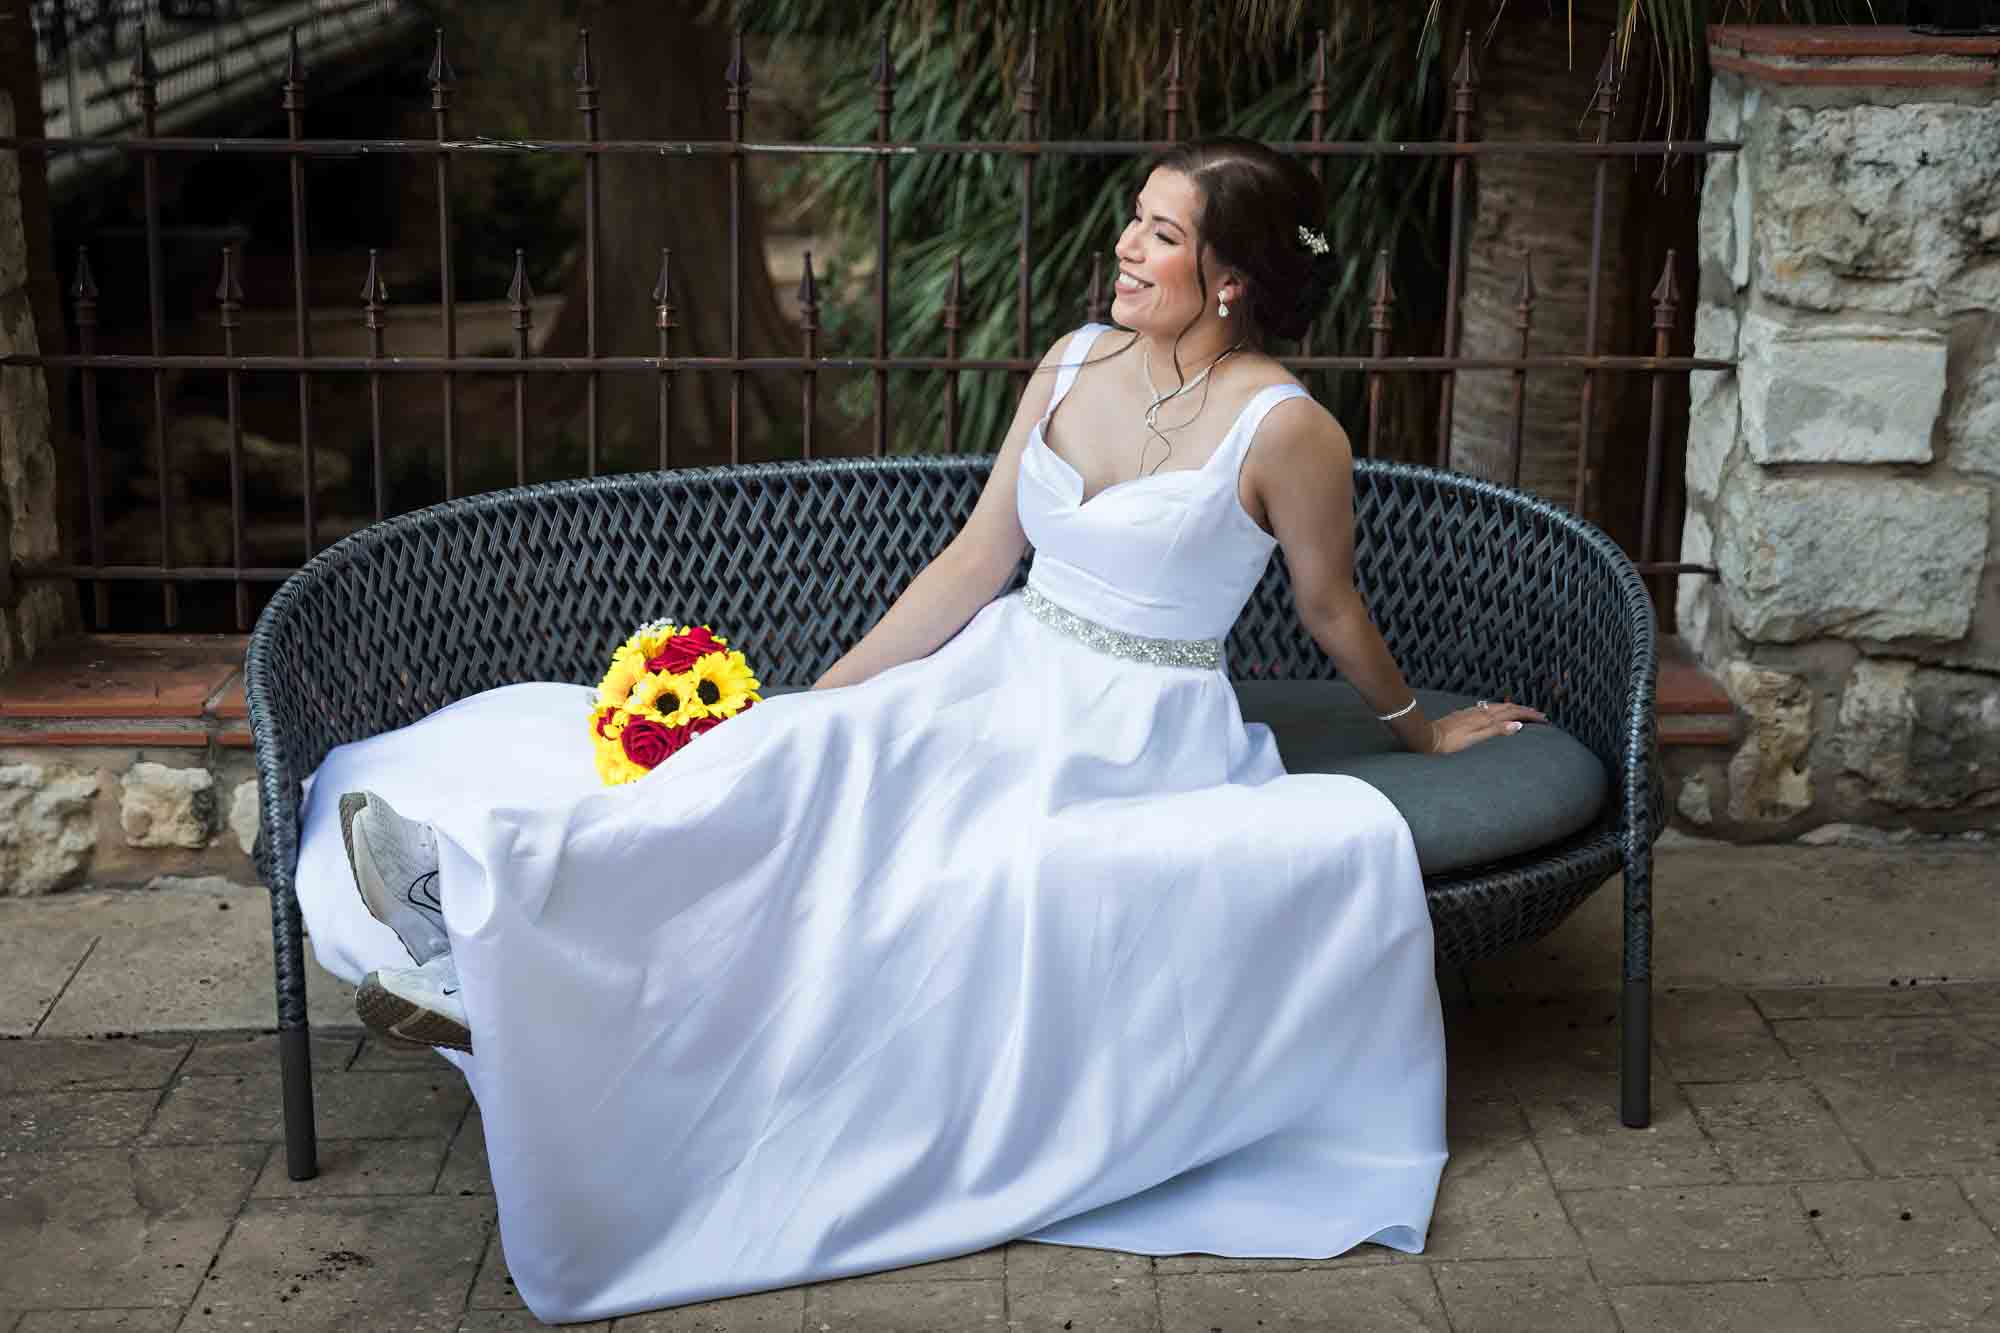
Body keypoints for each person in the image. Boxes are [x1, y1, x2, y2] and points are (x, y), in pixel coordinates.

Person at [294, 136, 1545, 1322]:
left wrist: (1417, 733)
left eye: (1157, 233)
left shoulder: (1286, 428)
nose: (1121, 245)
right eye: (1132, 218)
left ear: (1226, 278)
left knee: (906, 876)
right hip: (1004, 669)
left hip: (1130, 737)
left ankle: (503, 976)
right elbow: (972, 561)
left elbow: (1329, 607)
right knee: (793, 766)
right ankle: (473, 913)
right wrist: (824, 703)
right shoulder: (1071, 360)